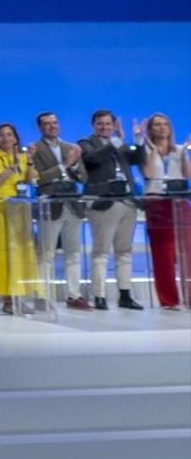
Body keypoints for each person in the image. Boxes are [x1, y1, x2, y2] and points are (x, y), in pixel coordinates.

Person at [26, 111, 91, 310]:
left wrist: (73, 167)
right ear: (40, 127)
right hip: (49, 205)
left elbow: (83, 178)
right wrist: (64, 165)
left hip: (72, 204)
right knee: (46, 254)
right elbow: (37, 179)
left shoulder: (71, 148)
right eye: (47, 124)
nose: (52, 126)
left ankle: (74, 296)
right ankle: (42, 296)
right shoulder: (33, 150)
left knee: (73, 253)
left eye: (54, 123)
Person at [81, 109, 144, 310]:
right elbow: (94, 159)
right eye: (100, 124)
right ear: (93, 125)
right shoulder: (86, 143)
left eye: (108, 124)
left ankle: (125, 295)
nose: (105, 127)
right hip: (103, 203)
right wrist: (116, 141)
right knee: (101, 251)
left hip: (126, 201)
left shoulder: (119, 143)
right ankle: (98, 296)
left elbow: (136, 159)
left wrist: (138, 139)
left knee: (124, 251)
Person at [0, 123, 39, 314]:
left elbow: (31, 180)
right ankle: (7, 298)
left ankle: (20, 295)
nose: (5, 138)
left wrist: (29, 161)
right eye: (1, 135)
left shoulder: (23, 157)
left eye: (9, 135)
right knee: (5, 253)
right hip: (0, 208)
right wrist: (12, 167)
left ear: (16, 138)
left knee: (21, 252)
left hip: (20, 208)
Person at [137, 113, 190, 310]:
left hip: (179, 201)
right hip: (157, 202)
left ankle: (190, 296)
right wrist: (152, 152)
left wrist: (185, 153)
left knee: (187, 251)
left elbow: (188, 174)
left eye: (165, 124)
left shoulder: (179, 150)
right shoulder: (145, 150)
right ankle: (169, 299)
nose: (162, 128)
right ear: (151, 129)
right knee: (163, 253)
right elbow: (149, 174)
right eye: (157, 125)